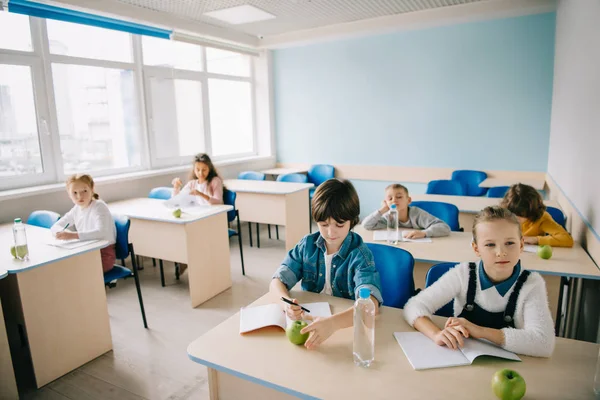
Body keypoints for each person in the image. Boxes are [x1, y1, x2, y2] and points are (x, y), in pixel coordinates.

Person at [403, 206, 555, 357]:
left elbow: (544, 343)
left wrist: (481, 331)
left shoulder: (532, 283)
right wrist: (436, 334)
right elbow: (414, 305)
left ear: (521, 245)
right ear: (476, 249)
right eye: (490, 245)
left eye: (509, 243)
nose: (501, 252)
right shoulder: (463, 274)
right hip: (460, 359)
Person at [270, 179, 383, 350]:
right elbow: (276, 281)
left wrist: (333, 323)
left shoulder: (360, 255)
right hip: (310, 326)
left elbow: (371, 305)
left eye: (339, 225)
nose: (330, 233)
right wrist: (285, 304)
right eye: (323, 225)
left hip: (344, 329)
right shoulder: (307, 245)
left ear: (352, 220)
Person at [51, 174, 117, 273]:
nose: (79, 196)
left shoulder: (99, 206)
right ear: (69, 195)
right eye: (74, 193)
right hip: (86, 250)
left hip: (103, 254)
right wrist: (60, 233)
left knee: (76, 273)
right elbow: (55, 226)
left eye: (84, 191)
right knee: (63, 269)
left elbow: (101, 232)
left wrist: (72, 235)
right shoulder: (76, 209)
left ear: (92, 189)